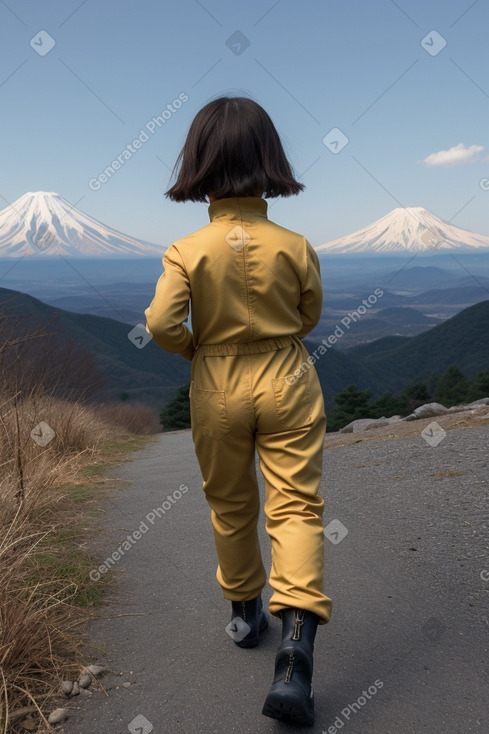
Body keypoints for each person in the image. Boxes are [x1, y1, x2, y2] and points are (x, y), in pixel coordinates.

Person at [144, 95, 332, 726]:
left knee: (230, 502)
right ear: (269, 160)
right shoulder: (296, 244)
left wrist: (201, 348)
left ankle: (245, 610)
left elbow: (161, 323)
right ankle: (296, 648)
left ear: (198, 163)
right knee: (297, 505)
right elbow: (311, 316)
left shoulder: (186, 249)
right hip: (287, 373)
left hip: (217, 380)